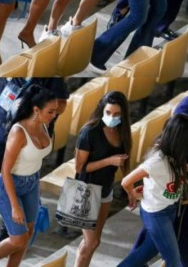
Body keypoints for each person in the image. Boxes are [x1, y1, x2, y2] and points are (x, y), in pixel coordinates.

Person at [0, 78, 69, 246]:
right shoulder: (13, 60)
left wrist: (38, 104)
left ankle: (7, 231)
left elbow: (62, 104)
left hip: (27, 134)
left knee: (16, 178)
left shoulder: (49, 68)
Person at [0, 85, 58, 267]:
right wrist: (14, 206)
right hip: (9, 184)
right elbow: (5, 170)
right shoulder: (18, 132)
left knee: (27, 235)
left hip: (32, 182)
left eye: (55, 111)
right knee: (18, 239)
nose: (54, 115)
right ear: (36, 110)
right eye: (50, 111)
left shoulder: (44, 125)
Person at [117, 113, 188, 267]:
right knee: (174, 261)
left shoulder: (175, 156)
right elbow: (126, 181)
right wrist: (134, 194)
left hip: (169, 209)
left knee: (145, 252)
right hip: (157, 215)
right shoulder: (157, 161)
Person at [74, 91, 133, 267]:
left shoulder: (123, 132)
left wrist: (129, 190)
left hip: (105, 190)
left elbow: (125, 162)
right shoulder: (89, 132)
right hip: (86, 191)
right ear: (102, 110)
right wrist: (109, 161)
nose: (111, 117)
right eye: (108, 113)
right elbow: (79, 167)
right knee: (90, 242)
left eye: (116, 114)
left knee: (93, 242)